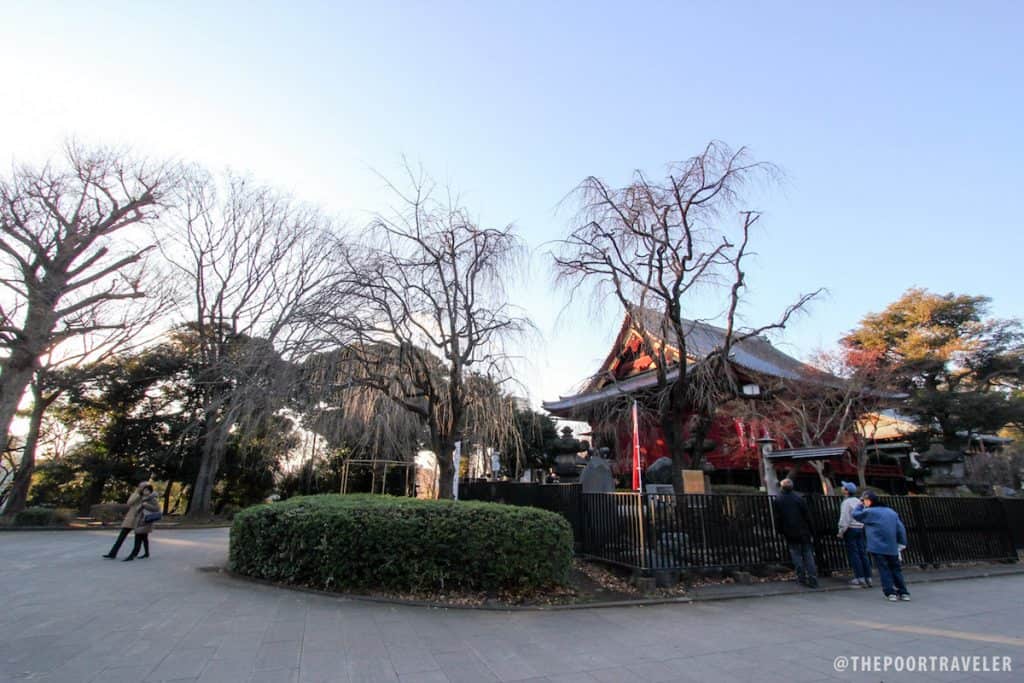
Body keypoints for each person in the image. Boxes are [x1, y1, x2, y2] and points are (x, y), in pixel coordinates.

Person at [852, 490, 910, 602]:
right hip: (892, 546)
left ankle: (890, 592)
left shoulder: (870, 512)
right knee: (896, 569)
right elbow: (900, 528)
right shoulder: (891, 512)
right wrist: (902, 543)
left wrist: (859, 505)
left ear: (869, 501)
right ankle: (903, 592)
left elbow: (856, 515)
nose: (863, 503)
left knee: (884, 569)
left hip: (877, 546)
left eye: (864, 501)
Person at [773, 478, 818, 588]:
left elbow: (777, 518)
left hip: (789, 531)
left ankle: (801, 577)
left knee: (796, 555)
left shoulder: (778, 500)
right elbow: (807, 515)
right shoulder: (799, 498)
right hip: (803, 530)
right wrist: (812, 530)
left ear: (782, 487)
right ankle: (813, 578)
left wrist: (779, 530)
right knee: (808, 555)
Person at [837, 481, 872, 587]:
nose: (842, 488)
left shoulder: (846, 503)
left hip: (850, 529)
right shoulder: (858, 501)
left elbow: (845, 518)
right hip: (860, 528)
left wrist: (841, 531)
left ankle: (859, 577)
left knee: (854, 554)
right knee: (862, 553)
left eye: (844, 487)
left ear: (846, 491)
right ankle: (868, 577)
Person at [103, 481, 149, 559]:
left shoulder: (148, 495)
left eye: (144, 487)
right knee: (121, 536)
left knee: (142, 537)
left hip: (141, 518)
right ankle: (112, 553)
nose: (142, 488)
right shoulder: (135, 494)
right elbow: (129, 503)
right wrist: (138, 495)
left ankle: (141, 554)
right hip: (131, 518)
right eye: (141, 487)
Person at [123, 484, 161, 561]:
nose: (145, 492)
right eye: (144, 490)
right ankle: (146, 553)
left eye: (147, 490)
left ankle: (132, 555)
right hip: (140, 520)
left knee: (138, 538)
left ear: (150, 491)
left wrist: (146, 505)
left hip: (146, 521)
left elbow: (157, 509)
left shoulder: (152, 499)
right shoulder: (143, 498)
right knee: (144, 538)